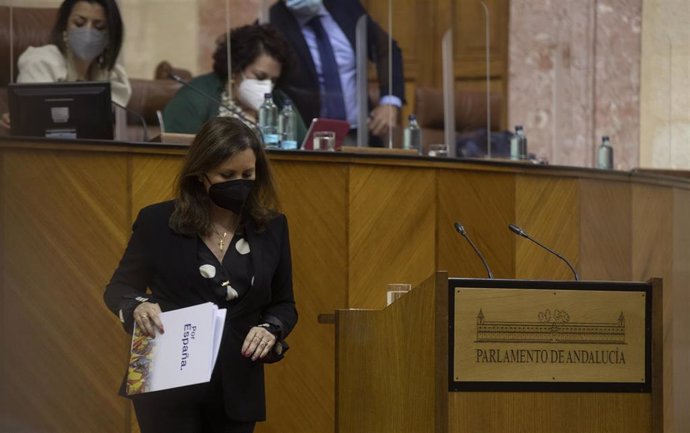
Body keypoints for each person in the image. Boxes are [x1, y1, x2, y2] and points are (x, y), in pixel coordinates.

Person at [103, 116, 298, 433]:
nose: (240, 183)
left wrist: (271, 328)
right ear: (200, 174)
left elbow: (284, 303)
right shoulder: (156, 221)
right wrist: (138, 305)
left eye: (248, 174)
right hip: (165, 378)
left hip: (237, 386)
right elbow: (119, 288)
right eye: (227, 175)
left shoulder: (272, 226)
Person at [268, 0, 405, 144]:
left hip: (361, 132)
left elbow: (387, 50)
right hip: (307, 137)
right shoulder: (272, 21)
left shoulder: (345, 6)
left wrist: (390, 102)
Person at [163, 24, 307, 143]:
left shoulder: (280, 101)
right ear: (235, 68)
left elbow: (306, 149)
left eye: (273, 80)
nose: (267, 87)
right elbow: (181, 159)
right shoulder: (194, 98)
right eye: (260, 76)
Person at [0, 0, 131, 129]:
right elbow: (36, 119)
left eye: (99, 27)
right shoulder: (41, 61)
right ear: (64, 27)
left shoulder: (111, 75)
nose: (87, 32)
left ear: (110, 36)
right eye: (79, 23)